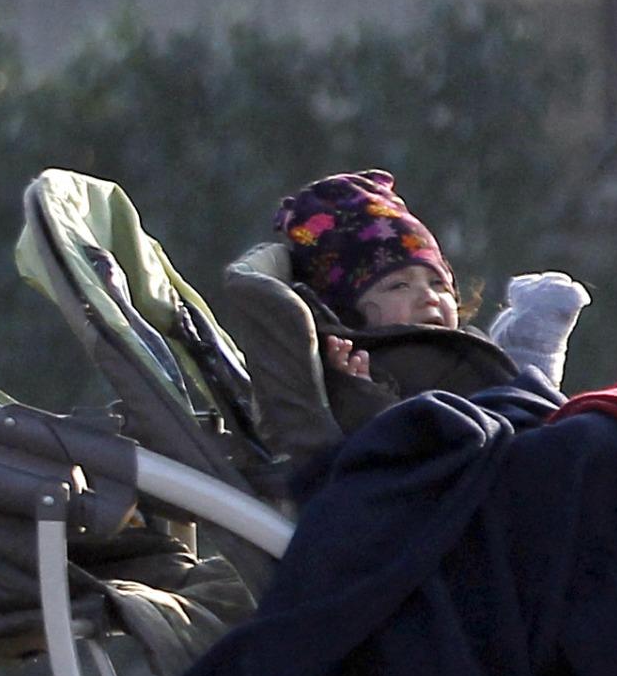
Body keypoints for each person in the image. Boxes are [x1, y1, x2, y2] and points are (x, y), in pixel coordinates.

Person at [219, 169, 587, 465]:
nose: (428, 295)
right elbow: (391, 451)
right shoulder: (366, 362)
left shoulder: (453, 344)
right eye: (398, 286)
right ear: (349, 310)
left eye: (438, 283)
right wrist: (360, 393)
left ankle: (531, 359)